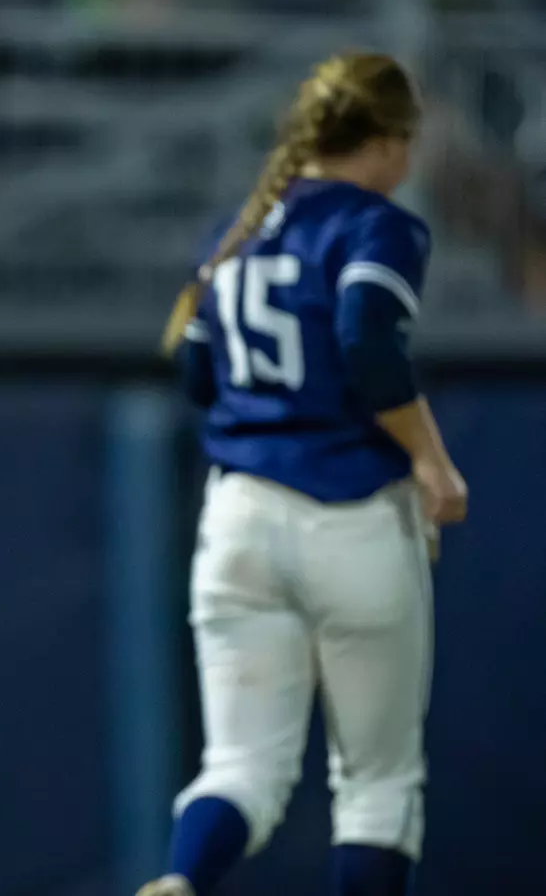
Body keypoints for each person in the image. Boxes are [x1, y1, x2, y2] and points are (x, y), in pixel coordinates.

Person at [145, 53, 468, 896]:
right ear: (391, 142)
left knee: (240, 769)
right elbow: (366, 336)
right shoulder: (375, 222)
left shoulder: (236, 227)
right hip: (352, 513)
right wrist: (430, 457)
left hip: (239, 518)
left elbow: (198, 375)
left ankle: (179, 883)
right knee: (377, 787)